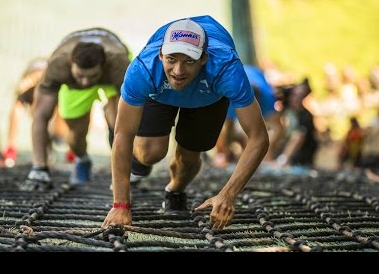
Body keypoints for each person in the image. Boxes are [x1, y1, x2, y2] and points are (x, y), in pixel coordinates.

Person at [101, 16, 269, 230]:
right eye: (171, 59)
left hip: (208, 96)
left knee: (188, 159)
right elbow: (123, 134)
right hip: (159, 93)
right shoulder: (143, 69)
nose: (178, 71)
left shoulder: (227, 69)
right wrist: (120, 205)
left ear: (203, 58)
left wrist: (228, 195)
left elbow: (259, 138)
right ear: (161, 55)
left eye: (189, 60)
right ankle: (139, 162)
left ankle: (175, 190)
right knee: (150, 153)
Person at [22, 28, 131, 191]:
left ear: (103, 66)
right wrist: (39, 168)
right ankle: (82, 158)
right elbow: (41, 116)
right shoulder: (58, 65)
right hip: (73, 86)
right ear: (70, 64)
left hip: (112, 79)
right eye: (81, 75)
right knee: (75, 134)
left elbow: (135, 111)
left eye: (92, 76)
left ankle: (124, 165)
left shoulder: (118, 63)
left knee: (118, 119)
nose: (86, 82)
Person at [1, 58, 73, 167]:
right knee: (20, 111)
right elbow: (18, 104)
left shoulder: (57, 88)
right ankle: (11, 150)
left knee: (60, 123)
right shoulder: (28, 87)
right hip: (37, 90)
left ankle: (71, 150)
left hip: (54, 97)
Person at [212, 64, 284, 167]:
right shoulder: (231, 97)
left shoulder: (268, 99)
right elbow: (223, 127)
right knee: (225, 130)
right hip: (235, 78)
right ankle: (227, 153)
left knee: (255, 131)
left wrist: (268, 152)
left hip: (254, 77)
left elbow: (278, 128)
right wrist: (223, 152)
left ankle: (254, 154)